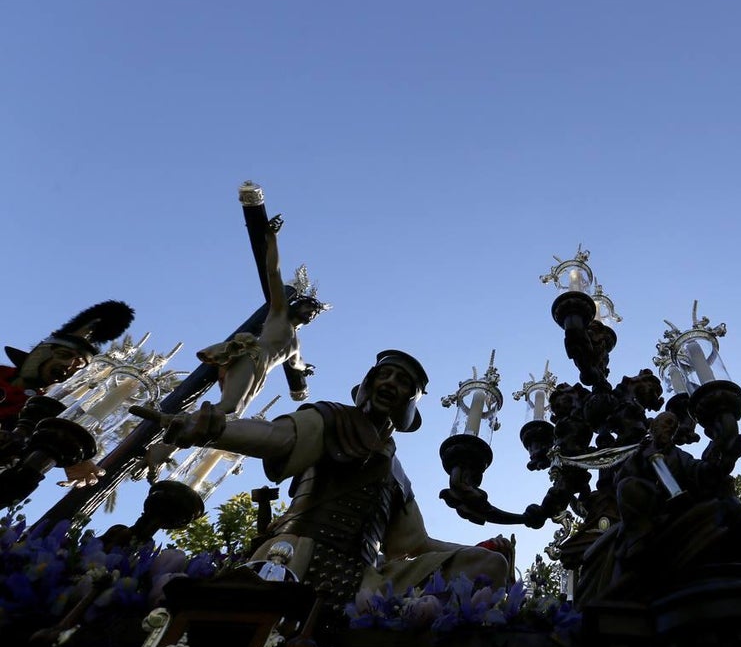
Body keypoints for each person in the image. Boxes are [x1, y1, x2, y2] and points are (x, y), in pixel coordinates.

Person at [135, 349, 513, 609]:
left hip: (364, 575)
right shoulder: (331, 418)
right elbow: (277, 438)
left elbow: (414, 542)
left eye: (402, 382)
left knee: (487, 567)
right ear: (368, 384)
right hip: (294, 554)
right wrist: (212, 429)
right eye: (384, 375)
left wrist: (486, 548)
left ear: (408, 404)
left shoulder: (395, 471)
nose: (390, 384)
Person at [196, 215, 327, 417]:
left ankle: (182, 433)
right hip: (252, 356)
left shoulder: (295, 345)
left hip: (261, 373)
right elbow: (273, 273)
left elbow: (297, 364)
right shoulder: (279, 312)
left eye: (315, 313)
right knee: (228, 406)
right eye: (308, 306)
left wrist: (306, 368)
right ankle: (174, 423)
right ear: (296, 305)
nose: (312, 312)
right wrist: (272, 238)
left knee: (232, 417)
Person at [1, 301, 134, 485]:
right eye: (64, 355)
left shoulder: (48, 418)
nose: (68, 366)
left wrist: (75, 456)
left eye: (78, 367)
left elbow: (54, 440)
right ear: (40, 354)